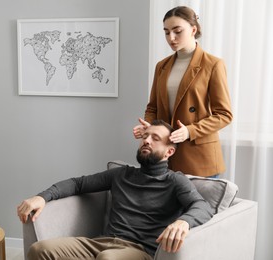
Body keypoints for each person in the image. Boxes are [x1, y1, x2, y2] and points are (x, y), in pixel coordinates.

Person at [17, 120, 213, 260]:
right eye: (145, 136)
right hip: (101, 243)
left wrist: (183, 222)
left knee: (108, 258)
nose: (146, 141)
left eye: (155, 138)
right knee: (39, 250)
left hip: (139, 251)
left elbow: (202, 206)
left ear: (169, 151)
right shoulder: (121, 174)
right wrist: (42, 197)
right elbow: (78, 184)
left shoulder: (175, 181)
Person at [133, 6, 233, 178]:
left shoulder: (213, 64)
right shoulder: (161, 66)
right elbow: (153, 107)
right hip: (165, 154)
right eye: (166, 32)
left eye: (177, 31)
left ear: (193, 29)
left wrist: (190, 131)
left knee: (198, 205)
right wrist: (148, 127)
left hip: (198, 156)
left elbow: (224, 115)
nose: (171, 38)